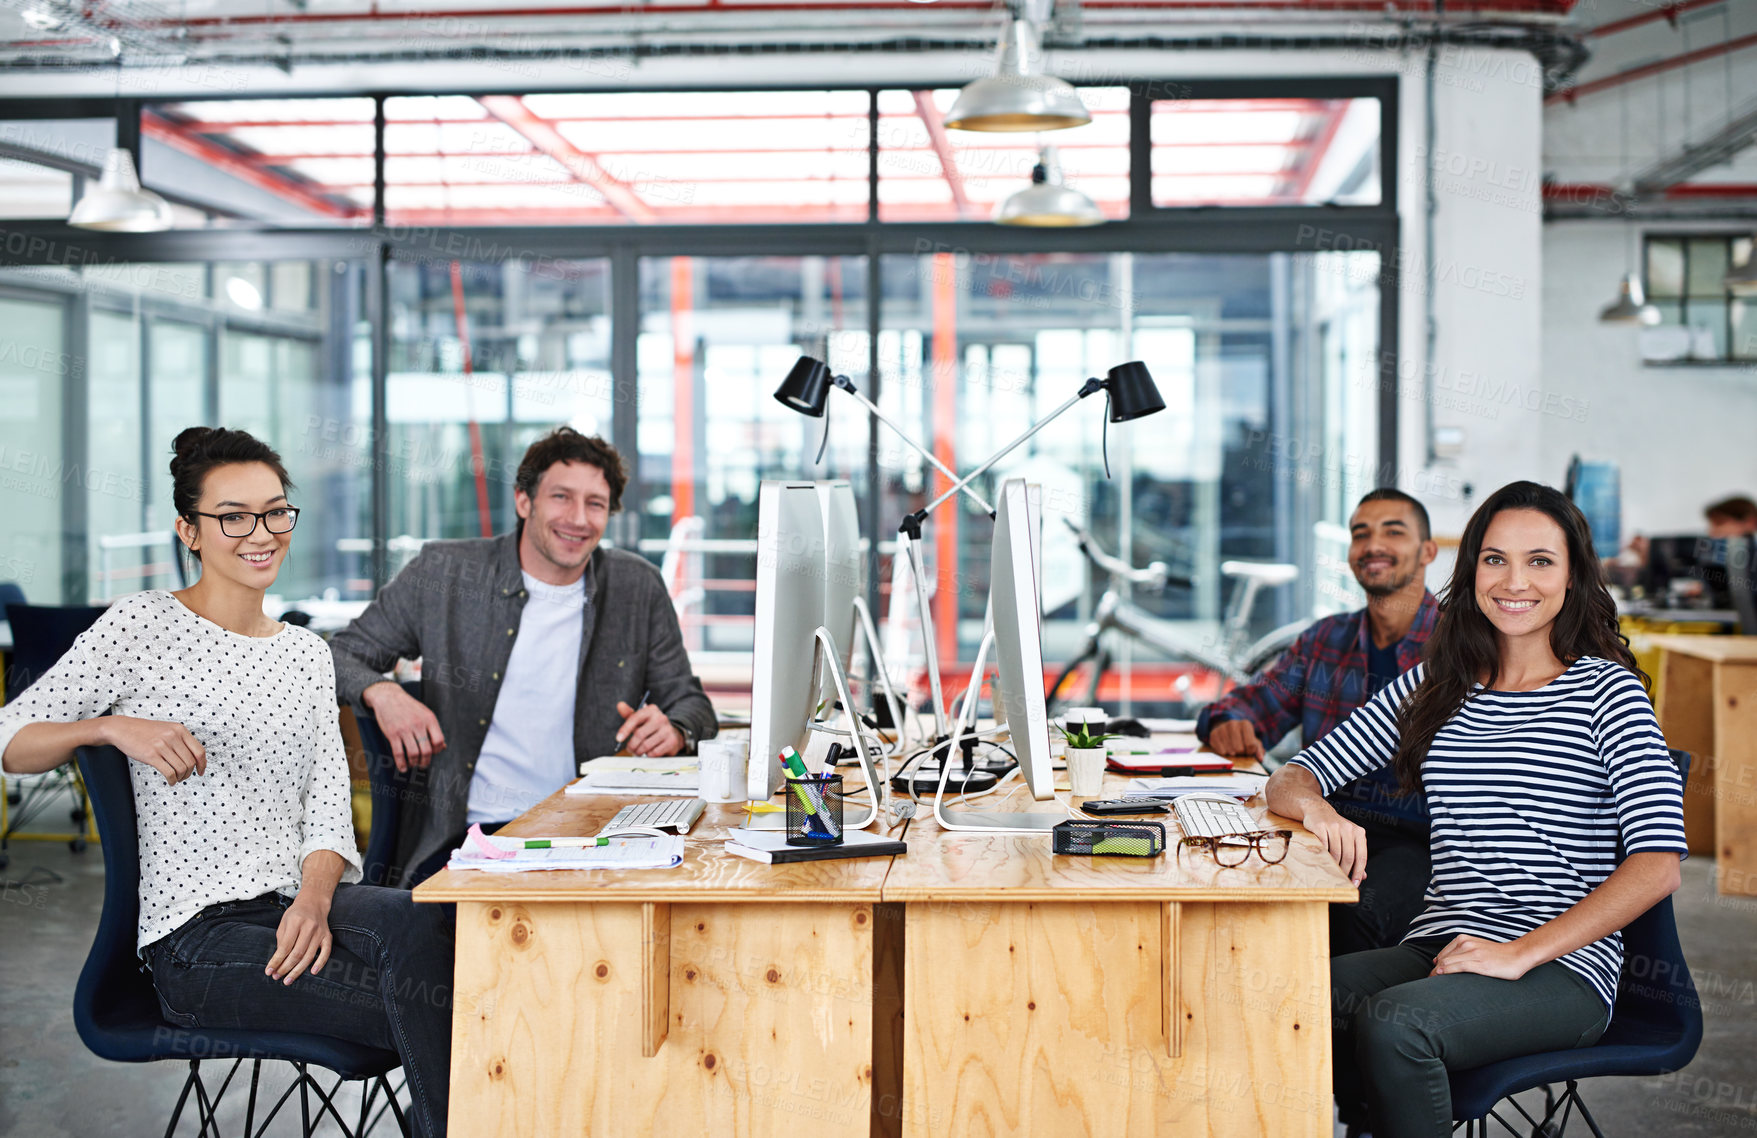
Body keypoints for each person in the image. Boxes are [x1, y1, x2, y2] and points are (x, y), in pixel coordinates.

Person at [0, 428, 454, 1138]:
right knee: (450, 1000)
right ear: (190, 530)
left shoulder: (308, 655)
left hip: (296, 905)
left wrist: (313, 898)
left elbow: (330, 809)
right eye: (234, 516)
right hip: (197, 943)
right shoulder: (142, 625)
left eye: (277, 512)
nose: (261, 533)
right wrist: (108, 729)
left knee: (441, 925)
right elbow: (11, 739)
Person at [1266, 480, 1687, 1138]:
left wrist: (1518, 952)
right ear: (1470, 572)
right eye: (1494, 559)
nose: (1513, 581)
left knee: (1394, 1026)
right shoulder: (1440, 682)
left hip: (1557, 969)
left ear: (1572, 576)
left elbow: (1657, 865)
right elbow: (1294, 775)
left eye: (1539, 561)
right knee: (1283, 991)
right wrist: (1318, 809)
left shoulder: (1608, 693)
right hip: (1441, 943)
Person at [329, 427, 717, 884]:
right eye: (561, 497)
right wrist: (382, 693)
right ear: (523, 501)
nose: (578, 518)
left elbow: (694, 705)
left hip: (597, 834)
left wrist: (674, 728)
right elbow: (334, 654)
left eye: (595, 504)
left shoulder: (637, 587)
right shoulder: (446, 573)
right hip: (477, 839)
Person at [1197, 487, 1439, 956]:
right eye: (1360, 533)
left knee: (1348, 911)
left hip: (1420, 842)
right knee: (1231, 883)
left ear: (1428, 550)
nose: (1373, 545)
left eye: (1394, 531)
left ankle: (1316, 1026)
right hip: (1322, 821)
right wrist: (1229, 719)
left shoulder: (1460, 648)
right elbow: (1250, 704)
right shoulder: (1327, 639)